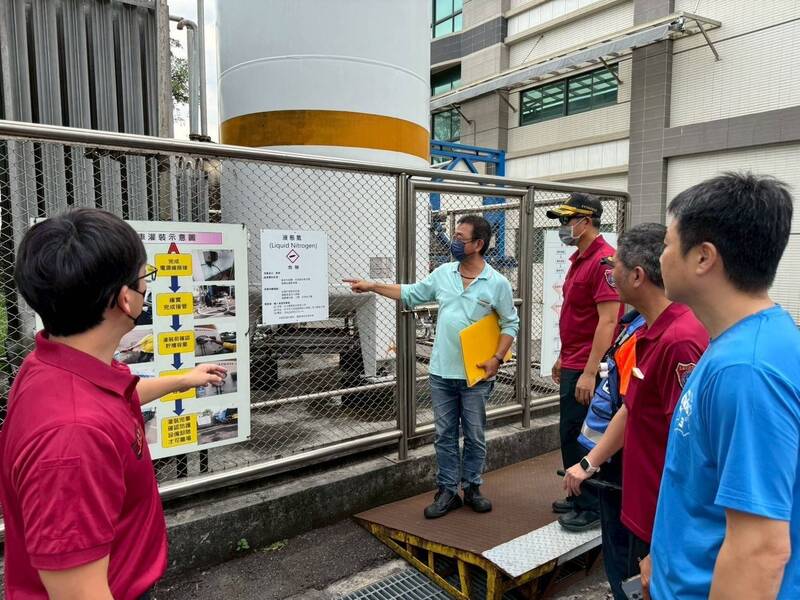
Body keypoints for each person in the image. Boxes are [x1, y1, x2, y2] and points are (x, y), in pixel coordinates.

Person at [0, 209, 227, 599]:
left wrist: (183, 380)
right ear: (125, 299)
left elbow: (115, 400)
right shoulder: (71, 440)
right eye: (145, 278)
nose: (147, 288)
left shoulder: (58, 365)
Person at [645, 172, 800, 599]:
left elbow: (760, 549)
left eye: (668, 244)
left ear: (703, 258)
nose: (661, 257)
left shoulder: (746, 371)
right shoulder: (751, 341)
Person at [562, 223, 708, 599]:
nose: (610, 274)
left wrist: (665, 544)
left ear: (638, 275)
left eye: (616, 266)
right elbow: (633, 407)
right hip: (635, 502)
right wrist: (589, 462)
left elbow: (691, 451)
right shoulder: (650, 330)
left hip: (657, 519)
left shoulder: (680, 341)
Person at [345, 215, 519, 519]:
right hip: (441, 373)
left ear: (478, 244)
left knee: (475, 435)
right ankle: (448, 490)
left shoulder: (497, 283)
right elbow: (410, 292)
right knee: (445, 435)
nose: (454, 241)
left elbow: (510, 323)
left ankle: (473, 487)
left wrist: (496, 358)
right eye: (455, 235)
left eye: (460, 237)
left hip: (476, 374)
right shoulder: (443, 274)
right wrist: (373, 286)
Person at [547, 193, 621, 531]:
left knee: (583, 434)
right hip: (575, 359)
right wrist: (563, 357)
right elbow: (575, 315)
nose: (563, 227)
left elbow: (608, 321)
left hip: (589, 365)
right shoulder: (580, 258)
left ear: (586, 221)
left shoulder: (604, 262)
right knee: (569, 432)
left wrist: (590, 373)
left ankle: (591, 506)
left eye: (567, 220)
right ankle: (578, 494)